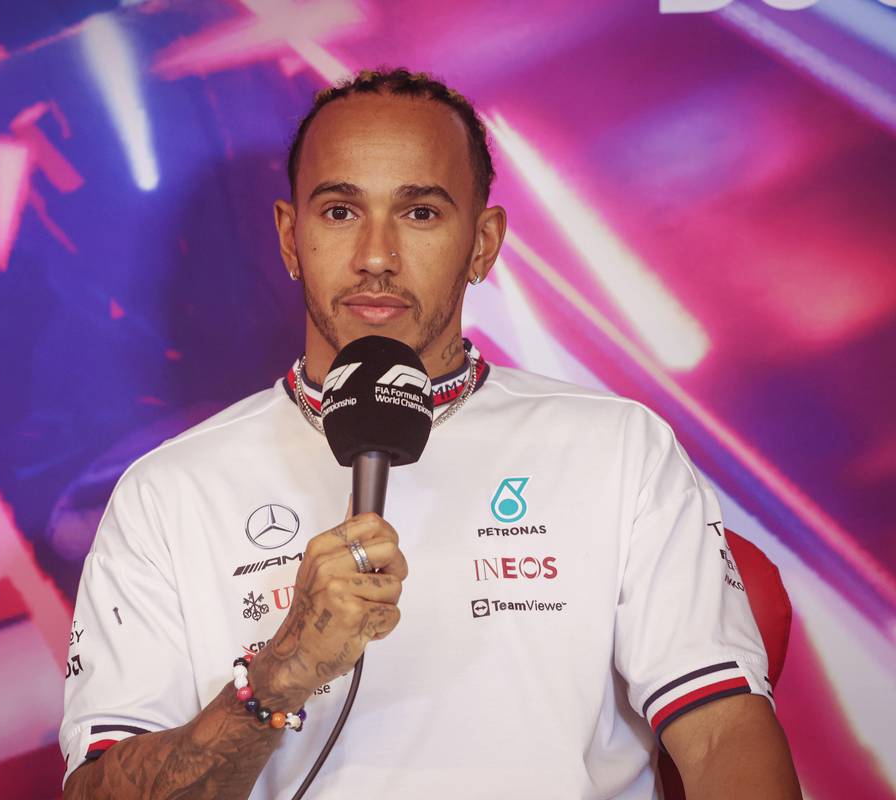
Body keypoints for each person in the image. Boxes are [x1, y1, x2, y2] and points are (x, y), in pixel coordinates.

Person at [59, 68, 801, 799]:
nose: (375, 257)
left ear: (483, 243)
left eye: (419, 213)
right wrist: (279, 674)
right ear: (290, 237)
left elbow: (721, 736)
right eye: (340, 211)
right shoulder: (168, 493)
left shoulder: (618, 448)